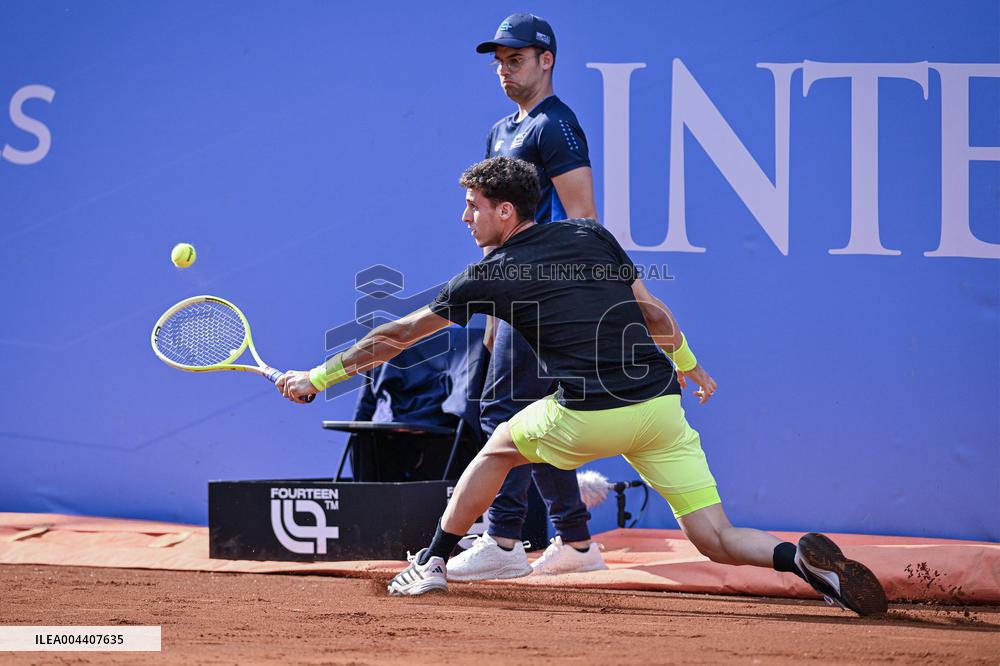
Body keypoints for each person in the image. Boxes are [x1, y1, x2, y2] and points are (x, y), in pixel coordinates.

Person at [277, 156, 889, 617]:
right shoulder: (592, 236)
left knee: (498, 447)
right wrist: (689, 362)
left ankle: (432, 561)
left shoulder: (485, 277)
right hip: (659, 408)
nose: (465, 217)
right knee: (717, 538)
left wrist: (317, 376)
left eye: (473, 206)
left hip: (590, 412)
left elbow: (400, 335)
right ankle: (802, 563)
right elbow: (652, 314)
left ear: (505, 212)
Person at [453, 12, 605, 581]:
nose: (504, 69)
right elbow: (496, 225)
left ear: (547, 61)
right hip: (513, 295)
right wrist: (494, 309)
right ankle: (577, 542)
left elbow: (585, 218)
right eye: (499, 61)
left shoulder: (556, 127)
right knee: (525, 416)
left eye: (515, 59)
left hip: (549, 294)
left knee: (505, 414)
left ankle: (505, 540)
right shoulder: (500, 132)